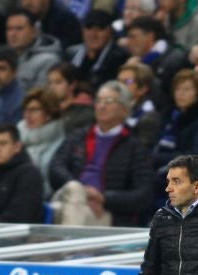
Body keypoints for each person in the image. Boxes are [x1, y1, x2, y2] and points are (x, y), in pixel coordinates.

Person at [49, 80, 153, 227]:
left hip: (106, 212)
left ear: (124, 109)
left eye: (109, 101)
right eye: (98, 101)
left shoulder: (135, 147)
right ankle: (69, 248)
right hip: (71, 198)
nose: (102, 106)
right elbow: (55, 166)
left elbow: (143, 195)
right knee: (72, 193)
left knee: (69, 213)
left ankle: (66, 248)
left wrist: (103, 198)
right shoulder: (78, 136)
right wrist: (81, 191)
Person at [65, 10, 130, 92]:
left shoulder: (120, 59)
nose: (93, 34)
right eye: (89, 28)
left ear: (110, 32)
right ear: (82, 30)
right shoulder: (71, 54)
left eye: (100, 29)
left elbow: (127, 83)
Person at [17, 87, 65, 197]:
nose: (28, 115)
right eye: (26, 110)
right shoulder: (16, 140)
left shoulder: (61, 145)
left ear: (49, 114)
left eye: (34, 110)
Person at [5, 8, 62, 92]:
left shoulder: (48, 60)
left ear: (34, 32)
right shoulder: (3, 56)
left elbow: (40, 97)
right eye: (9, 29)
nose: (12, 34)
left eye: (19, 28)